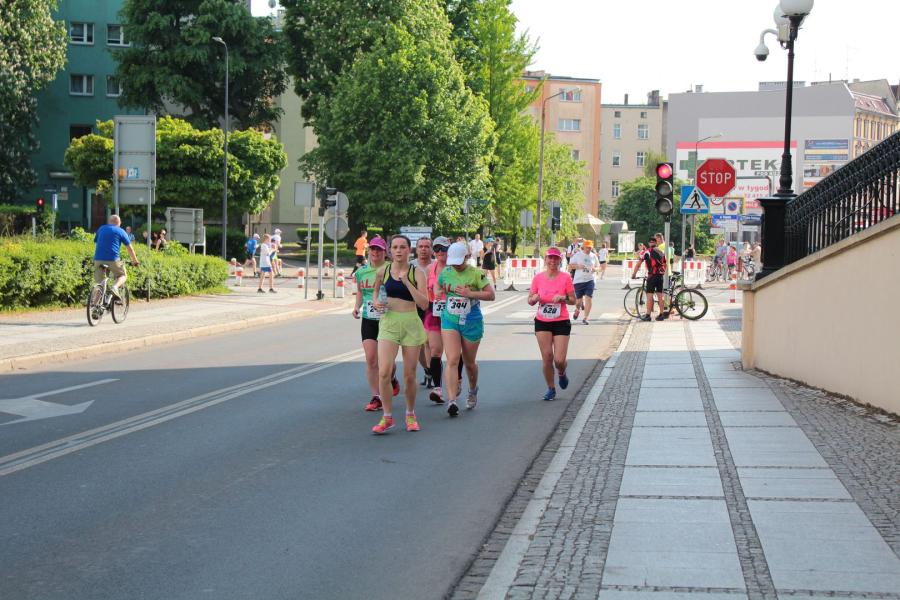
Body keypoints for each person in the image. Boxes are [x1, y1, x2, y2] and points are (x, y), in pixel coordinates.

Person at [371, 235, 430, 434]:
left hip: (411, 323)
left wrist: (406, 282)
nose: (398, 250)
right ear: (390, 250)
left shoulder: (417, 273)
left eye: (402, 247)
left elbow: (424, 303)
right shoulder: (383, 271)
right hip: (389, 322)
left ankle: (410, 414)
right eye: (395, 247)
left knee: (409, 375)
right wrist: (376, 302)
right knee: (384, 372)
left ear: (409, 250)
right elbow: (376, 291)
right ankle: (387, 417)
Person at [436, 241, 495, 417]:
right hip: (450, 320)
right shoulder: (446, 272)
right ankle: (452, 400)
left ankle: (472, 389)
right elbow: (438, 284)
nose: (456, 265)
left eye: (459, 262)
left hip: (471, 321)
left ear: (467, 257)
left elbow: (491, 295)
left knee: (469, 363)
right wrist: (437, 291)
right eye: (453, 262)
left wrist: (471, 294)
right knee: (452, 359)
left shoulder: (476, 274)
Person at [352, 236, 400, 412]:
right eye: (372, 249)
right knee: (371, 359)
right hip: (369, 319)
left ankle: (392, 378)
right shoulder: (361, 272)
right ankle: (376, 396)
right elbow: (360, 291)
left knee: (388, 363)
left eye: (379, 249)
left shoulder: (391, 270)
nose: (375, 252)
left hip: (388, 319)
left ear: (385, 252)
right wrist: (356, 307)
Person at [528, 247, 576, 401]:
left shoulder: (565, 278)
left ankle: (561, 372)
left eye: (556, 258)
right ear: (545, 260)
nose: (552, 261)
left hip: (561, 321)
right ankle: (551, 388)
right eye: (550, 258)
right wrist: (534, 298)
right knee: (547, 357)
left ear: (560, 261)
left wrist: (562, 298)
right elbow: (530, 300)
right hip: (542, 321)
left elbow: (573, 300)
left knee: (559, 360)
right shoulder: (538, 278)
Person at [425, 236, 451, 404]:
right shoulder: (430, 268)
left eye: (443, 249)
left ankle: (458, 380)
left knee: (453, 354)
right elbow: (425, 290)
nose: (440, 252)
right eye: (437, 249)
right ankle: (437, 388)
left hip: (452, 312)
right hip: (433, 311)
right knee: (435, 350)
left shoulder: (454, 267)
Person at [93, 214, 139, 298]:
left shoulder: (101, 229)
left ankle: (94, 304)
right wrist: (135, 261)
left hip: (98, 259)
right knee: (123, 275)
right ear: (119, 222)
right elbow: (130, 249)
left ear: (109, 222)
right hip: (113, 259)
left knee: (100, 285)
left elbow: (96, 242)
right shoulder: (120, 231)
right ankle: (115, 287)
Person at [414, 237, 434, 387]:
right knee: (419, 345)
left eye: (426, 246)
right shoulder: (410, 266)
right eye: (420, 246)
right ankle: (428, 369)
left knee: (429, 342)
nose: (423, 249)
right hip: (415, 308)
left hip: (432, 307)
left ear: (431, 249)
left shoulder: (436, 265)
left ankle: (433, 371)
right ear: (416, 249)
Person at [631, 236, 667, 321]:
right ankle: (661, 315)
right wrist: (662, 272)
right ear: (656, 243)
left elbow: (639, 264)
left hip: (652, 276)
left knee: (649, 296)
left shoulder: (647, 251)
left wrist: (634, 274)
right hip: (660, 276)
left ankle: (648, 315)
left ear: (649, 243)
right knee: (660, 295)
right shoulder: (661, 252)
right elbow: (665, 264)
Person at [568, 239, 598, 324]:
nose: (588, 249)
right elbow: (570, 266)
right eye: (587, 247)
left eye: (590, 248)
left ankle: (585, 318)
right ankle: (577, 309)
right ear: (583, 247)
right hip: (579, 281)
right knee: (578, 302)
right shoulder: (577, 255)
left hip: (590, 280)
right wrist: (578, 266)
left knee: (589, 298)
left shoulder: (593, 256)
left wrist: (595, 269)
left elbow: (599, 267)